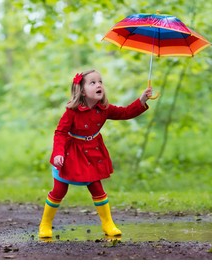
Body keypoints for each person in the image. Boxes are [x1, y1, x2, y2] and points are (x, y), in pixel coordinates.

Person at [39, 69, 152, 238]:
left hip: (92, 152)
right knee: (59, 190)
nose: (99, 85)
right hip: (71, 153)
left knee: (97, 187)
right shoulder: (72, 111)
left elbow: (126, 112)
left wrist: (142, 99)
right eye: (93, 82)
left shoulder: (104, 109)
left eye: (100, 82)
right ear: (82, 91)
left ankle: (108, 224)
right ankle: (45, 224)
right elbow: (60, 132)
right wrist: (58, 153)